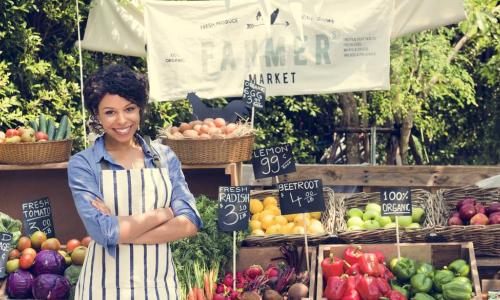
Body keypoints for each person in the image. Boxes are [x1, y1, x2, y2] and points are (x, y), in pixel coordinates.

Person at [67, 64, 202, 300]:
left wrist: (120, 232)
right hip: (103, 289)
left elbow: (190, 221)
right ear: (97, 115)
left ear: (139, 109)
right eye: (110, 112)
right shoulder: (84, 164)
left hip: (159, 288)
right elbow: (102, 231)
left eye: (129, 109)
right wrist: (166, 213)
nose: (121, 120)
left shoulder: (164, 157)